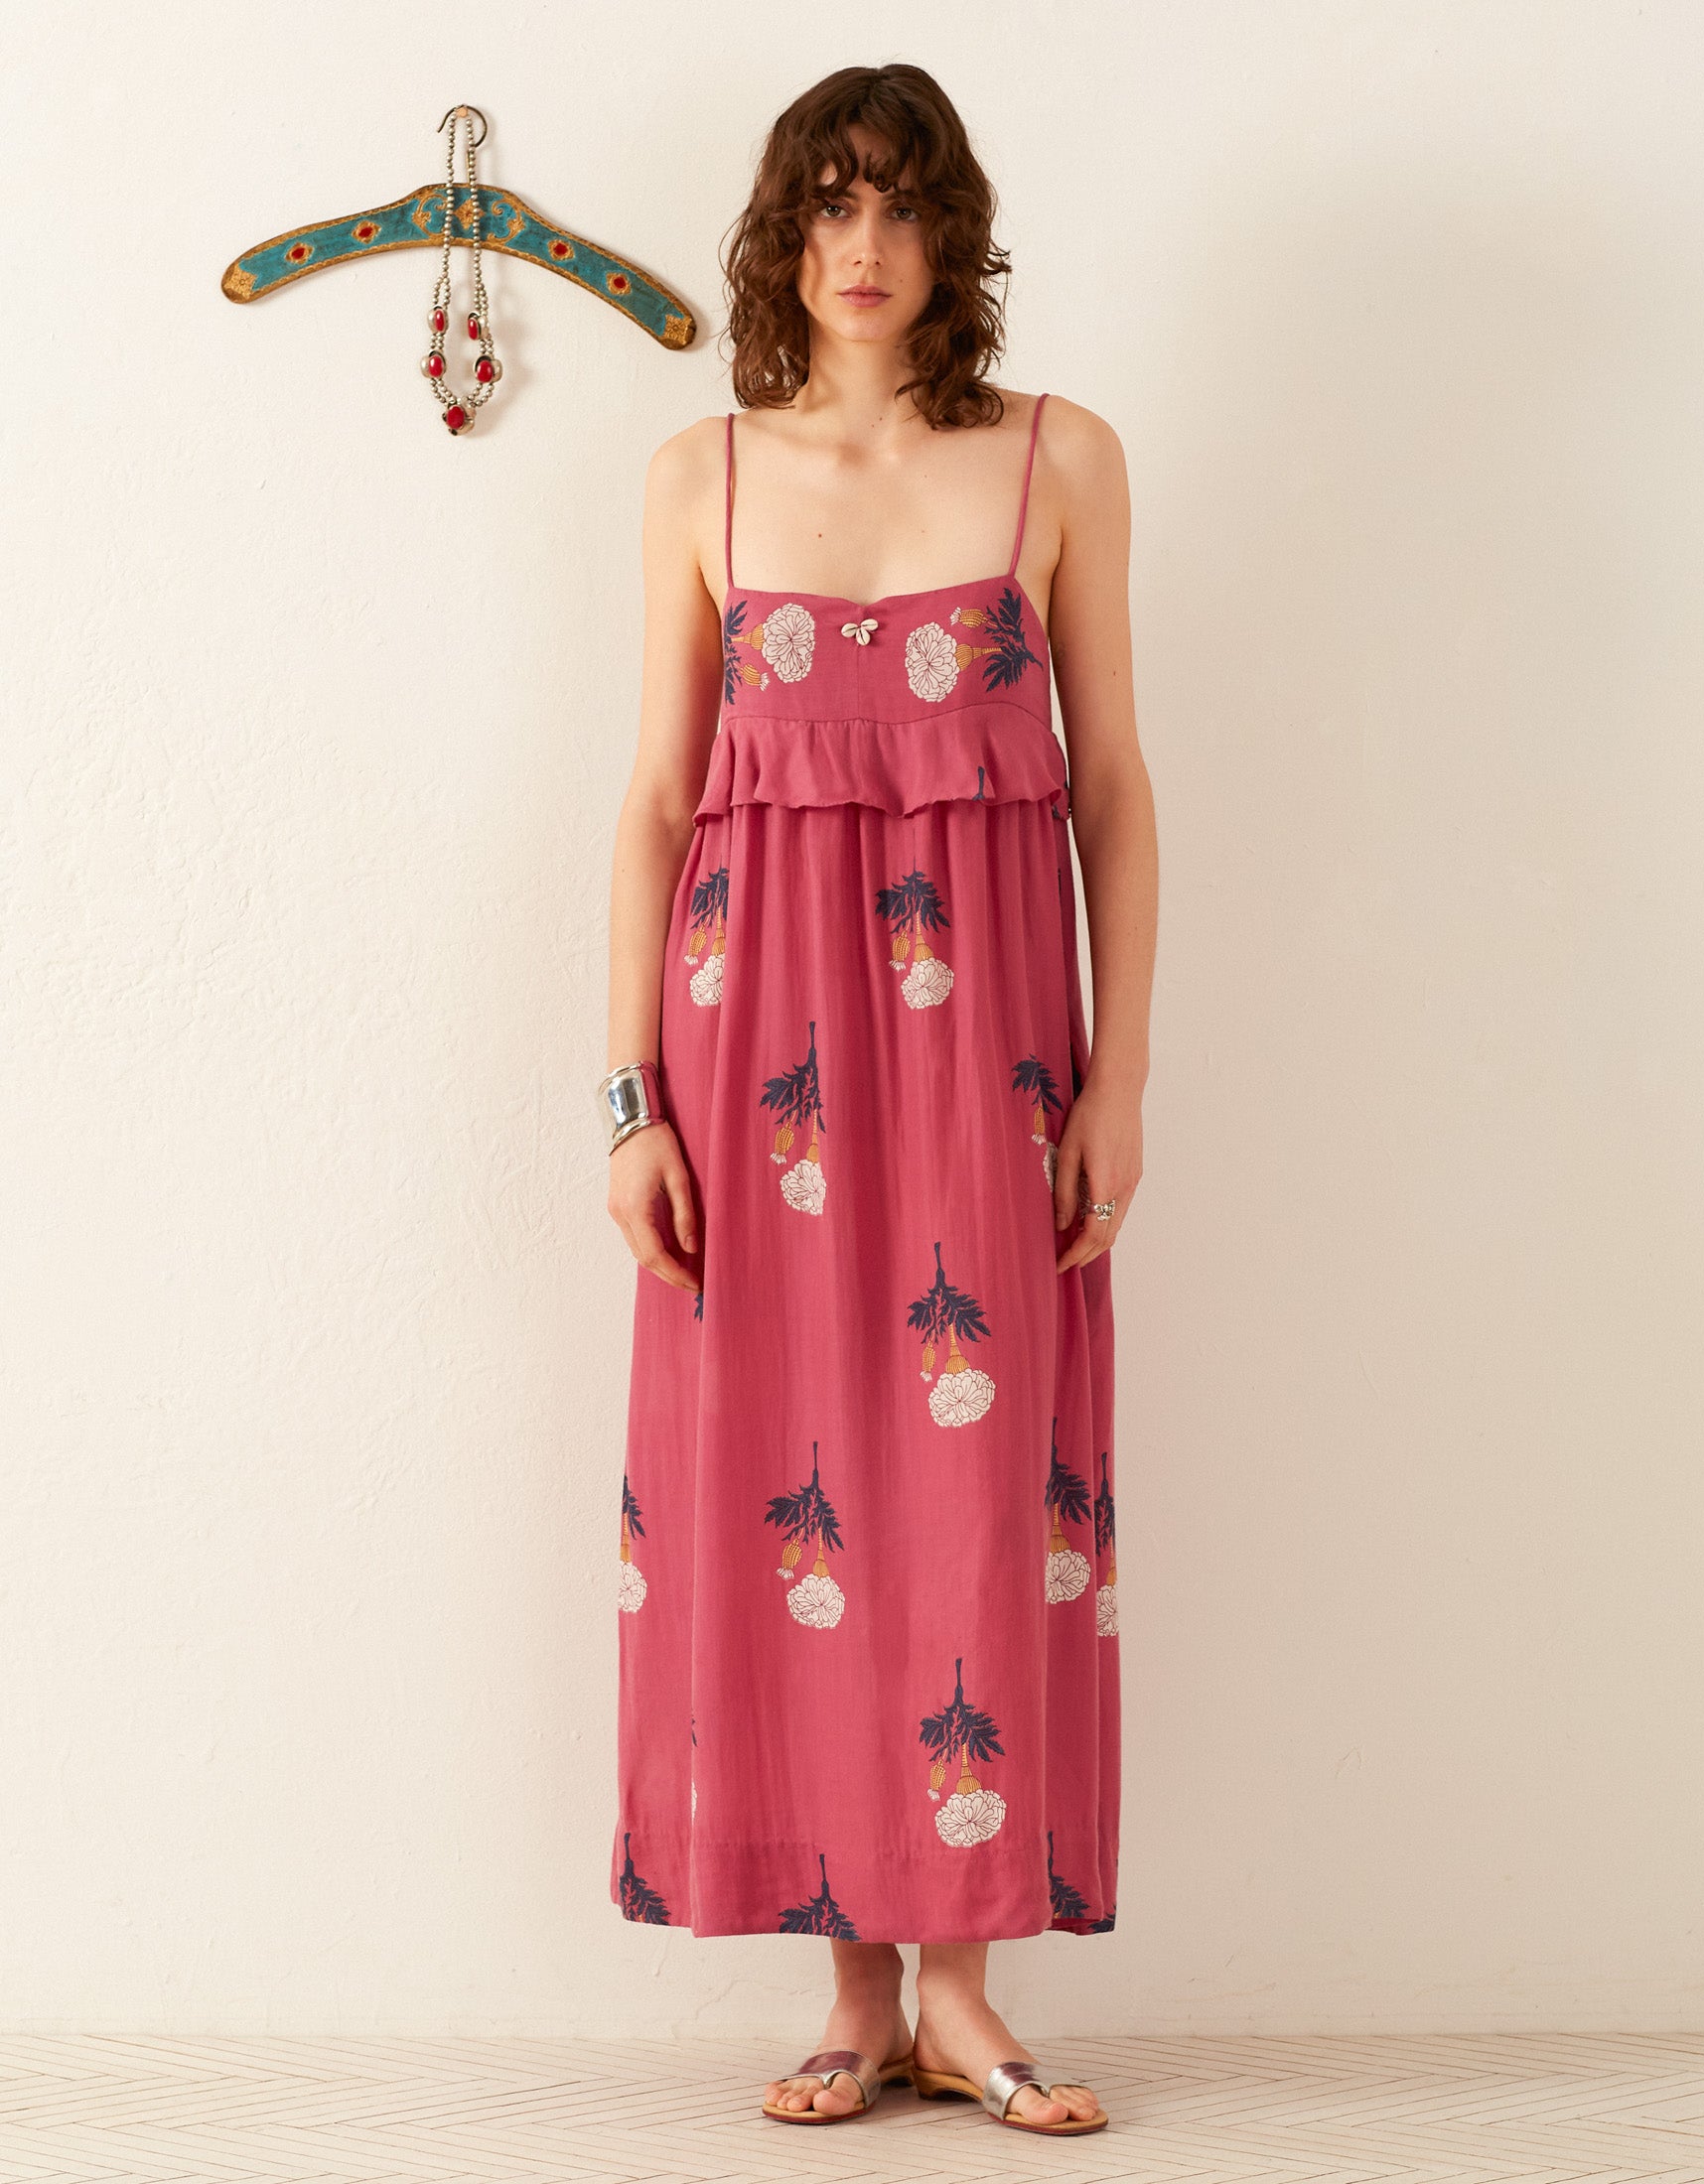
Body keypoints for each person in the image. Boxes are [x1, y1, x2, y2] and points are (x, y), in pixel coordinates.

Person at [600, 63, 1157, 2138]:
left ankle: (965, 1984)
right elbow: (657, 800)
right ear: (781, 231)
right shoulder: (696, 478)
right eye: (828, 199)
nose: (864, 238)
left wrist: (1120, 1072)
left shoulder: (1058, 463)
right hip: (750, 1077)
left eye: (903, 201)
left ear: (952, 235)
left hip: (992, 1063)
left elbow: (1110, 783)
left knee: (976, 1476)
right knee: (781, 1469)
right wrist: (623, 1100)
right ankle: (852, 1985)